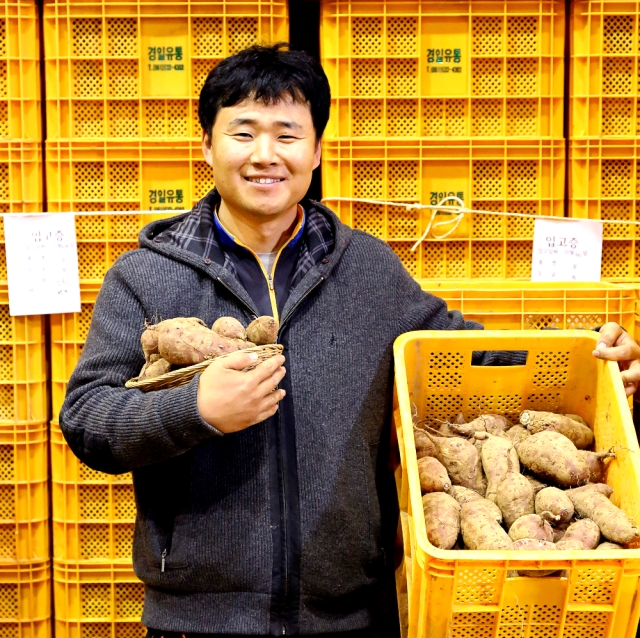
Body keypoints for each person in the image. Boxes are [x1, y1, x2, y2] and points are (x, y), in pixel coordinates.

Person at [59, 43, 640, 638]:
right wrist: (195, 409)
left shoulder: (367, 270)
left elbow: (465, 354)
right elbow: (87, 419)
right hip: (198, 620)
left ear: (315, 152)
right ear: (207, 145)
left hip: (353, 617)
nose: (265, 155)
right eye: (243, 132)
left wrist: (593, 359)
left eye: (287, 135)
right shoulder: (144, 277)